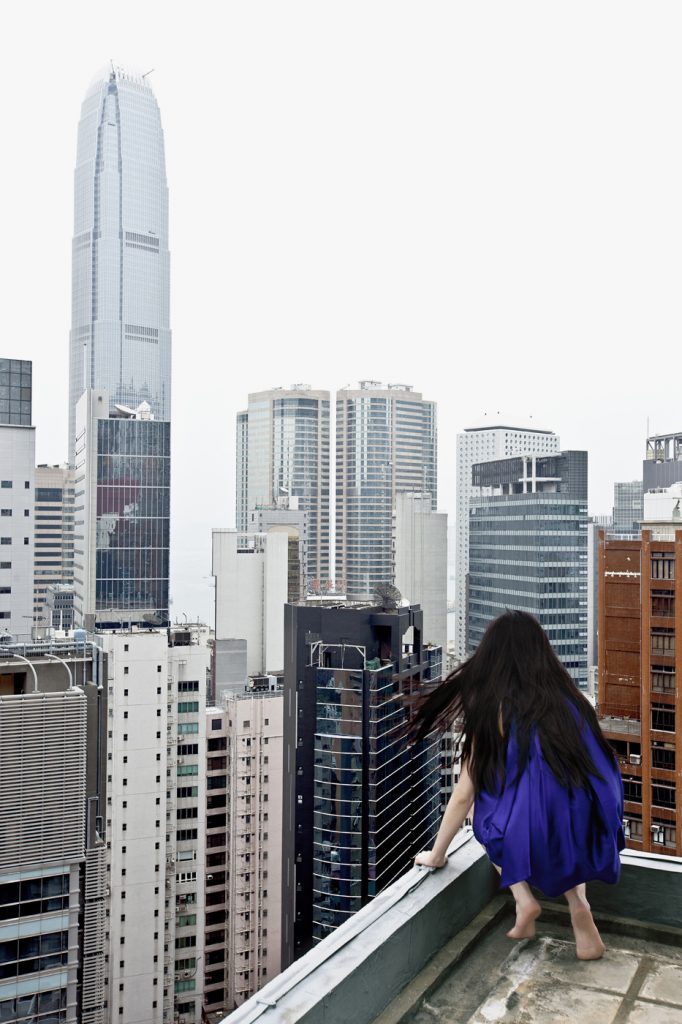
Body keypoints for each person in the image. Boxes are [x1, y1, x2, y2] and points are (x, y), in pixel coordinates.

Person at [410, 610, 624, 960]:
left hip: (540, 830)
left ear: (492, 657)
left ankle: (523, 901)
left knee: (486, 819)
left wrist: (437, 854)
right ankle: (579, 907)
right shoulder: (570, 700)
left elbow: (464, 794)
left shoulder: (493, 708)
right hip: (591, 823)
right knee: (558, 820)